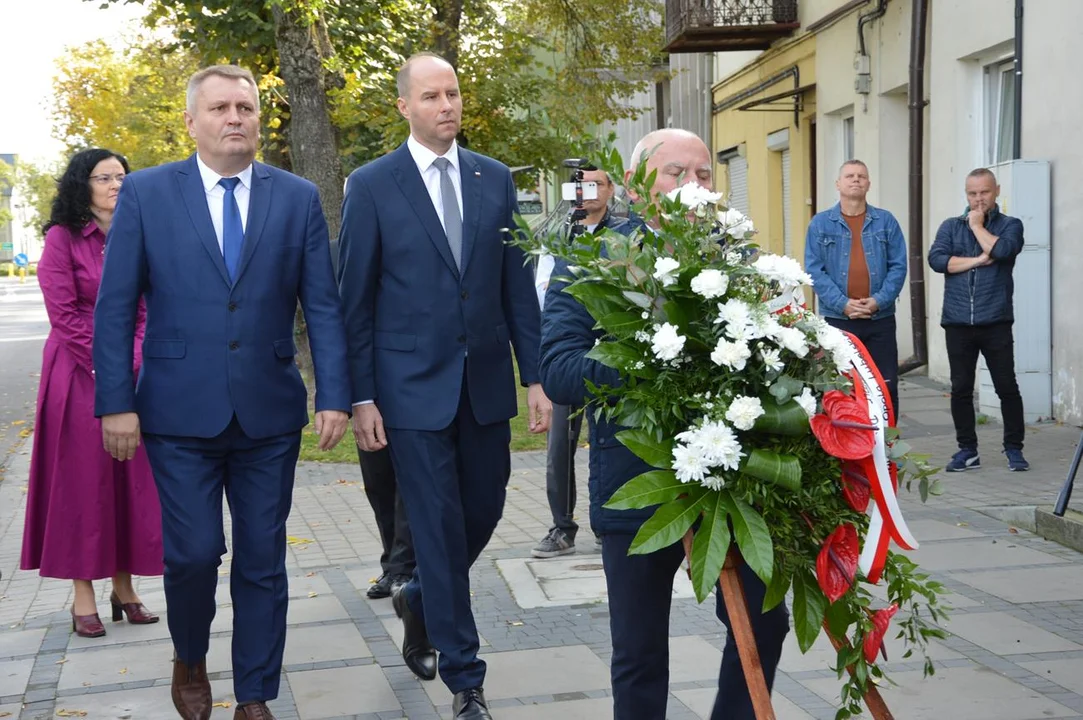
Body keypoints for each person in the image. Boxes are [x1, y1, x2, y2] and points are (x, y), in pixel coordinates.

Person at [93, 64, 351, 720]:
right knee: (193, 553)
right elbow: (115, 307)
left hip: (268, 413)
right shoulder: (148, 195)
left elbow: (321, 304)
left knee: (263, 557)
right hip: (176, 413)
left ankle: (255, 694)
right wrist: (116, 401)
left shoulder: (293, 197)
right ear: (191, 121)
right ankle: (189, 655)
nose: (234, 118)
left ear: (259, 118)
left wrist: (334, 394)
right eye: (219, 108)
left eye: (245, 107)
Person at [540, 128, 790, 720]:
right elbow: (557, 369)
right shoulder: (592, 259)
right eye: (676, 172)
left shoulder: (740, 259)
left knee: (764, 624)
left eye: (703, 174)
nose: (693, 185)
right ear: (634, 185)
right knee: (640, 651)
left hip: (736, 483)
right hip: (638, 482)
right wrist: (656, 359)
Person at [337, 52, 551, 720]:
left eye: (453, 94)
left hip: (484, 384)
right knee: (432, 521)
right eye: (431, 96)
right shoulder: (373, 185)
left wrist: (536, 376)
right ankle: (466, 677)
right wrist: (361, 394)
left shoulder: (493, 180)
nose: (446, 106)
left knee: (483, 509)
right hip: (407, 390)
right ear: (404, 106)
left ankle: (420, 596)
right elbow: (355, 301)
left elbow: (516, 286)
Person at [20, 148, 163, 639]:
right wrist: (110, 365)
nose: (115, 184)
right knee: (84, 483)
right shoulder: (62, 239)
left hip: (133, 369)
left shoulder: (140, 232)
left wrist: (136, 361)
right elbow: (65, 314)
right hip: (77, 374)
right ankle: (83, 595)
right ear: (83, 185)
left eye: (122, 176)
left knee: (126, 479)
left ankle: (125, 589)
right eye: (103, 177)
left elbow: (149, 307)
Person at [531, 167, 620, 559]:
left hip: (613, 354)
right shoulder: (558, 234)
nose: (589, 192)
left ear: (610, 188)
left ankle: (609, 521)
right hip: (570, 351)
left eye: (596, 184)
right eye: (581, 186)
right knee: (561, 444)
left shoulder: (624, 232)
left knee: (614, 437)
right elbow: (542, 287)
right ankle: (562, 525)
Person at [928, 167, 1028, 472]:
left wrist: (976, 227)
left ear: (996, 190)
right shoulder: (949, 226)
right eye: (972, 193)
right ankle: (967, 450)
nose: (978, 199)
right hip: (957, 321)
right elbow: (937, 260)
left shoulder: (1011, 225)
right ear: (966, 193)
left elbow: (1002, 249)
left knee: (1006, 386)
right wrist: (977, 260)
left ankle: (1014, 449)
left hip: (995, 319)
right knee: (960, 388)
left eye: (984, 192)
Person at [804, 160, 907, 415]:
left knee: (885, 385)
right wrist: (843, 304)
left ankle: (887, 444)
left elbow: (899, 266)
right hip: (839, 320)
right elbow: (814, 270)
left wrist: (877, 301)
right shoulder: (820, 224)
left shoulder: (886, 221)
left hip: (880, 319)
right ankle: (848, 449)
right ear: (838, 184)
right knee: (842, 387)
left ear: (869, 184)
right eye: (849, 176)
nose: (856, 180)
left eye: (861, 176)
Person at [357, 445, 415, 598]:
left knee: (407, 488)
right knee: (377, 484)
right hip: (372, 423)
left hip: (413, 422)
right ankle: (392, 567)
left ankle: (403, 569)